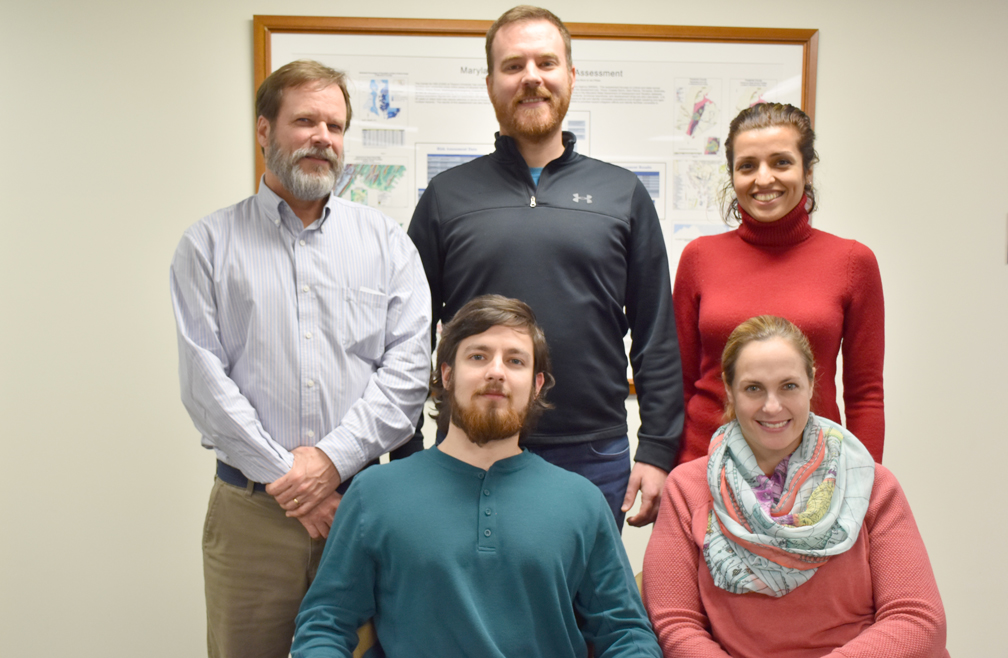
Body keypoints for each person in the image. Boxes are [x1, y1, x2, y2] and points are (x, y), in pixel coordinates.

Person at [169, 59, 431, 658]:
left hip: (360, 510)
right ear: (264, 131)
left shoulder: (388, 244)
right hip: (251, 519)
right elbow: (204, 383)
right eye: (305, 121)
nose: (323, 138)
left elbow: (407, 373)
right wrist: (293, 481)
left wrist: (331, 464)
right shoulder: (208, 245)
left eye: (335, 126)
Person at [407, 5, 683, 529]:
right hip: (469, 451)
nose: (531, 77)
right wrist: (407, 448)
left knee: (579, 610)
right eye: (513, 66)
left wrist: (657, 448)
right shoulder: (446, 197)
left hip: (591, 455)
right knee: (468, 607)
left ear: (570, 77)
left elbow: (655, 333)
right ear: (490, 83)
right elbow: (408, 336)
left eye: (546, 63)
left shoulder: (622, 193)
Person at [291, 295, 661, 658]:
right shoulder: (374, 493)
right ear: (447, 375)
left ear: (536, 386)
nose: (496, 371)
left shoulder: (582, 501)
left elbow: (627, 632)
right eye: (478, 356)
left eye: (515, 361)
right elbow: (325, 624)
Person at [642, 315, 948, 657]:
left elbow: (918, 619)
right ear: (729, 389)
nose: (772, 407)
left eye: (788, 386)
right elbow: (674, 624)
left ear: (811, 383)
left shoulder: (871, 484)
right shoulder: (688, 490)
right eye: (753, 388)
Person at [673, 102, 885, 465]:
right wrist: (669, 470)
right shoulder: (698, 258)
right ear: (733, 175)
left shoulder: (853, 262)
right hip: (706, 466)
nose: (764, 178)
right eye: (748, 166)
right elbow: (678, 383)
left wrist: (866, 483)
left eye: (781, 162)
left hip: (816, 475)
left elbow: (865, 394)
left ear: (808, 171)